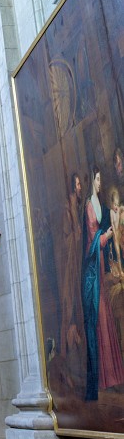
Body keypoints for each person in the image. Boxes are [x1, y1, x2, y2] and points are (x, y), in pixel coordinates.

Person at [82, 166, 124, 400]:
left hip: (100, 267)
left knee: (107, 315)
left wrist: (107, 235)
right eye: (97, 179)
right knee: (101, 319)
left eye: (100, 179)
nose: (100, 183)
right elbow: (92, 241)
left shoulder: (96, 203)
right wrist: (106, 236)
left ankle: (114, 377)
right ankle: (106, 378)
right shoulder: (90, 205)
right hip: (93, 272)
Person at [59, 172, 83, 355]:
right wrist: (76, 234)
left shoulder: (78, 204)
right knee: (71, 298)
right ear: (72, 187)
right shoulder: (68, 206)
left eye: (80, 184)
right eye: (77, 184)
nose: (80, 187)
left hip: (80, 258)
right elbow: (67, 235)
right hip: (71, 263)